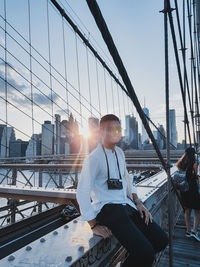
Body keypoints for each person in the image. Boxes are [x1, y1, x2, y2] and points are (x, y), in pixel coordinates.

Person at [77, 114, 168, 267]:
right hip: (108, 208)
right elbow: (82, 192)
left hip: (126, 205)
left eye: (118, 129)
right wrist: (93, 224)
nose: (115, 132)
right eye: (110, 129)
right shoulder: (93, 159)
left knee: (161, 240)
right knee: (146, 253)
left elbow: (127, 180)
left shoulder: (119, 153)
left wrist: (138, 202)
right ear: (100, 132)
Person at [176, 147, 200, 241]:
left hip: (184, 190)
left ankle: (188, 231)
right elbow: (198, 177)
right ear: (193, 154)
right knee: (197, 210)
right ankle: (194, 231)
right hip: (193, 190)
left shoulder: (180, 163)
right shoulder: (195, 164)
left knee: (187, 210)